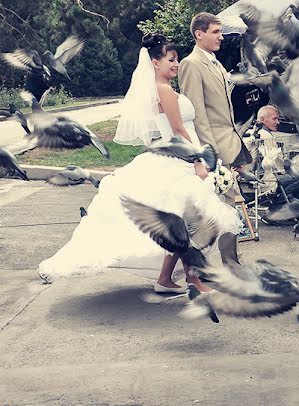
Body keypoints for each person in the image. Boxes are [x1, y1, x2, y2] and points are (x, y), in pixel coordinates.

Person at [38, 34, 241, 293]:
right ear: (154, 63)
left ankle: (169, 280)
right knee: (185, 222)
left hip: (177, 159)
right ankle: (192, 280)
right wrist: (199, 160)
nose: (176, 64)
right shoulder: (165, 91)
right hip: (179, 159)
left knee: (184, 223)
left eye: (176, 60)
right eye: (171, 60)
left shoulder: (163, 89)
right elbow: (179, 130)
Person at [179, 12, 250, 169]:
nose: (221, 37)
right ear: (199, 34)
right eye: (216, 32)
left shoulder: (215, 63)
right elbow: (197, 114)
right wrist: (210, 155)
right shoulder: (191, 64)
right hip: (214, 150)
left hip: (230, 146)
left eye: (221, 32)